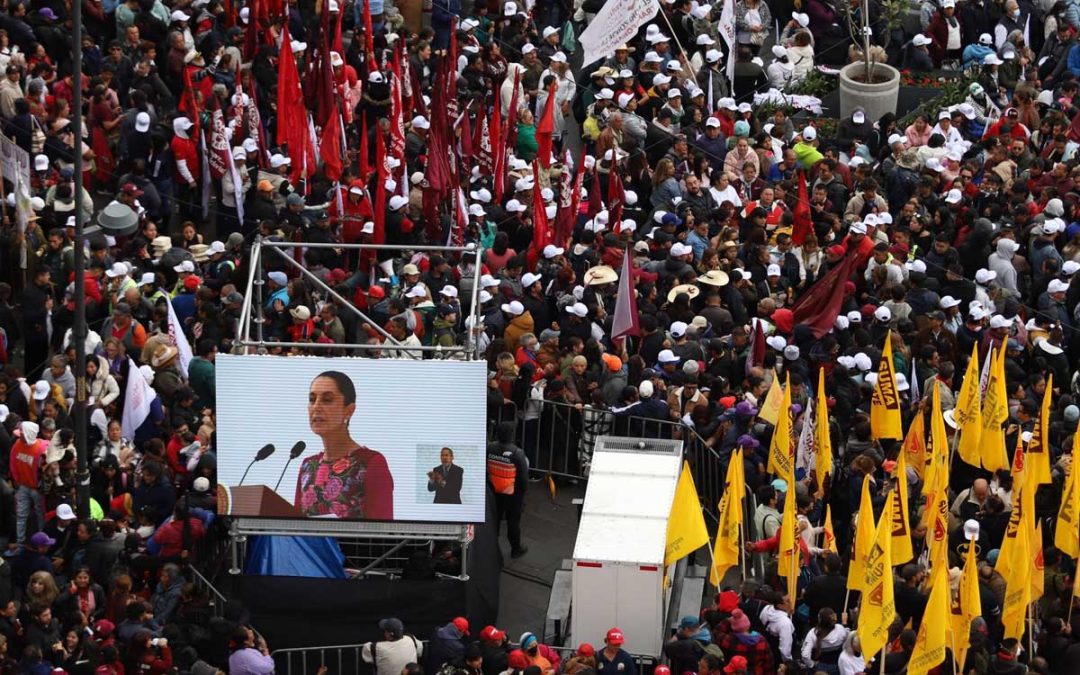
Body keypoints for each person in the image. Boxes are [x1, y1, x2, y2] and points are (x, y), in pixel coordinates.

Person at [294, 371, 394, 520]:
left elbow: (382, 534)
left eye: (327, 399)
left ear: (349, 410)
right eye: (312, 399)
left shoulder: (370, 463)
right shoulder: (308, 466)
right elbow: (293, 528)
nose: (316, 407)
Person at [487, 421, 530, 558]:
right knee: (513, 522)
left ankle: (491, 548)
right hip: (512, 494)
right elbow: (523, 478)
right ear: (511, 435)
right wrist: (522, 496)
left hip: (494, 491)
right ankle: (516, 549)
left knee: (495, 520)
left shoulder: (490, 448)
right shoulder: (517, 453)